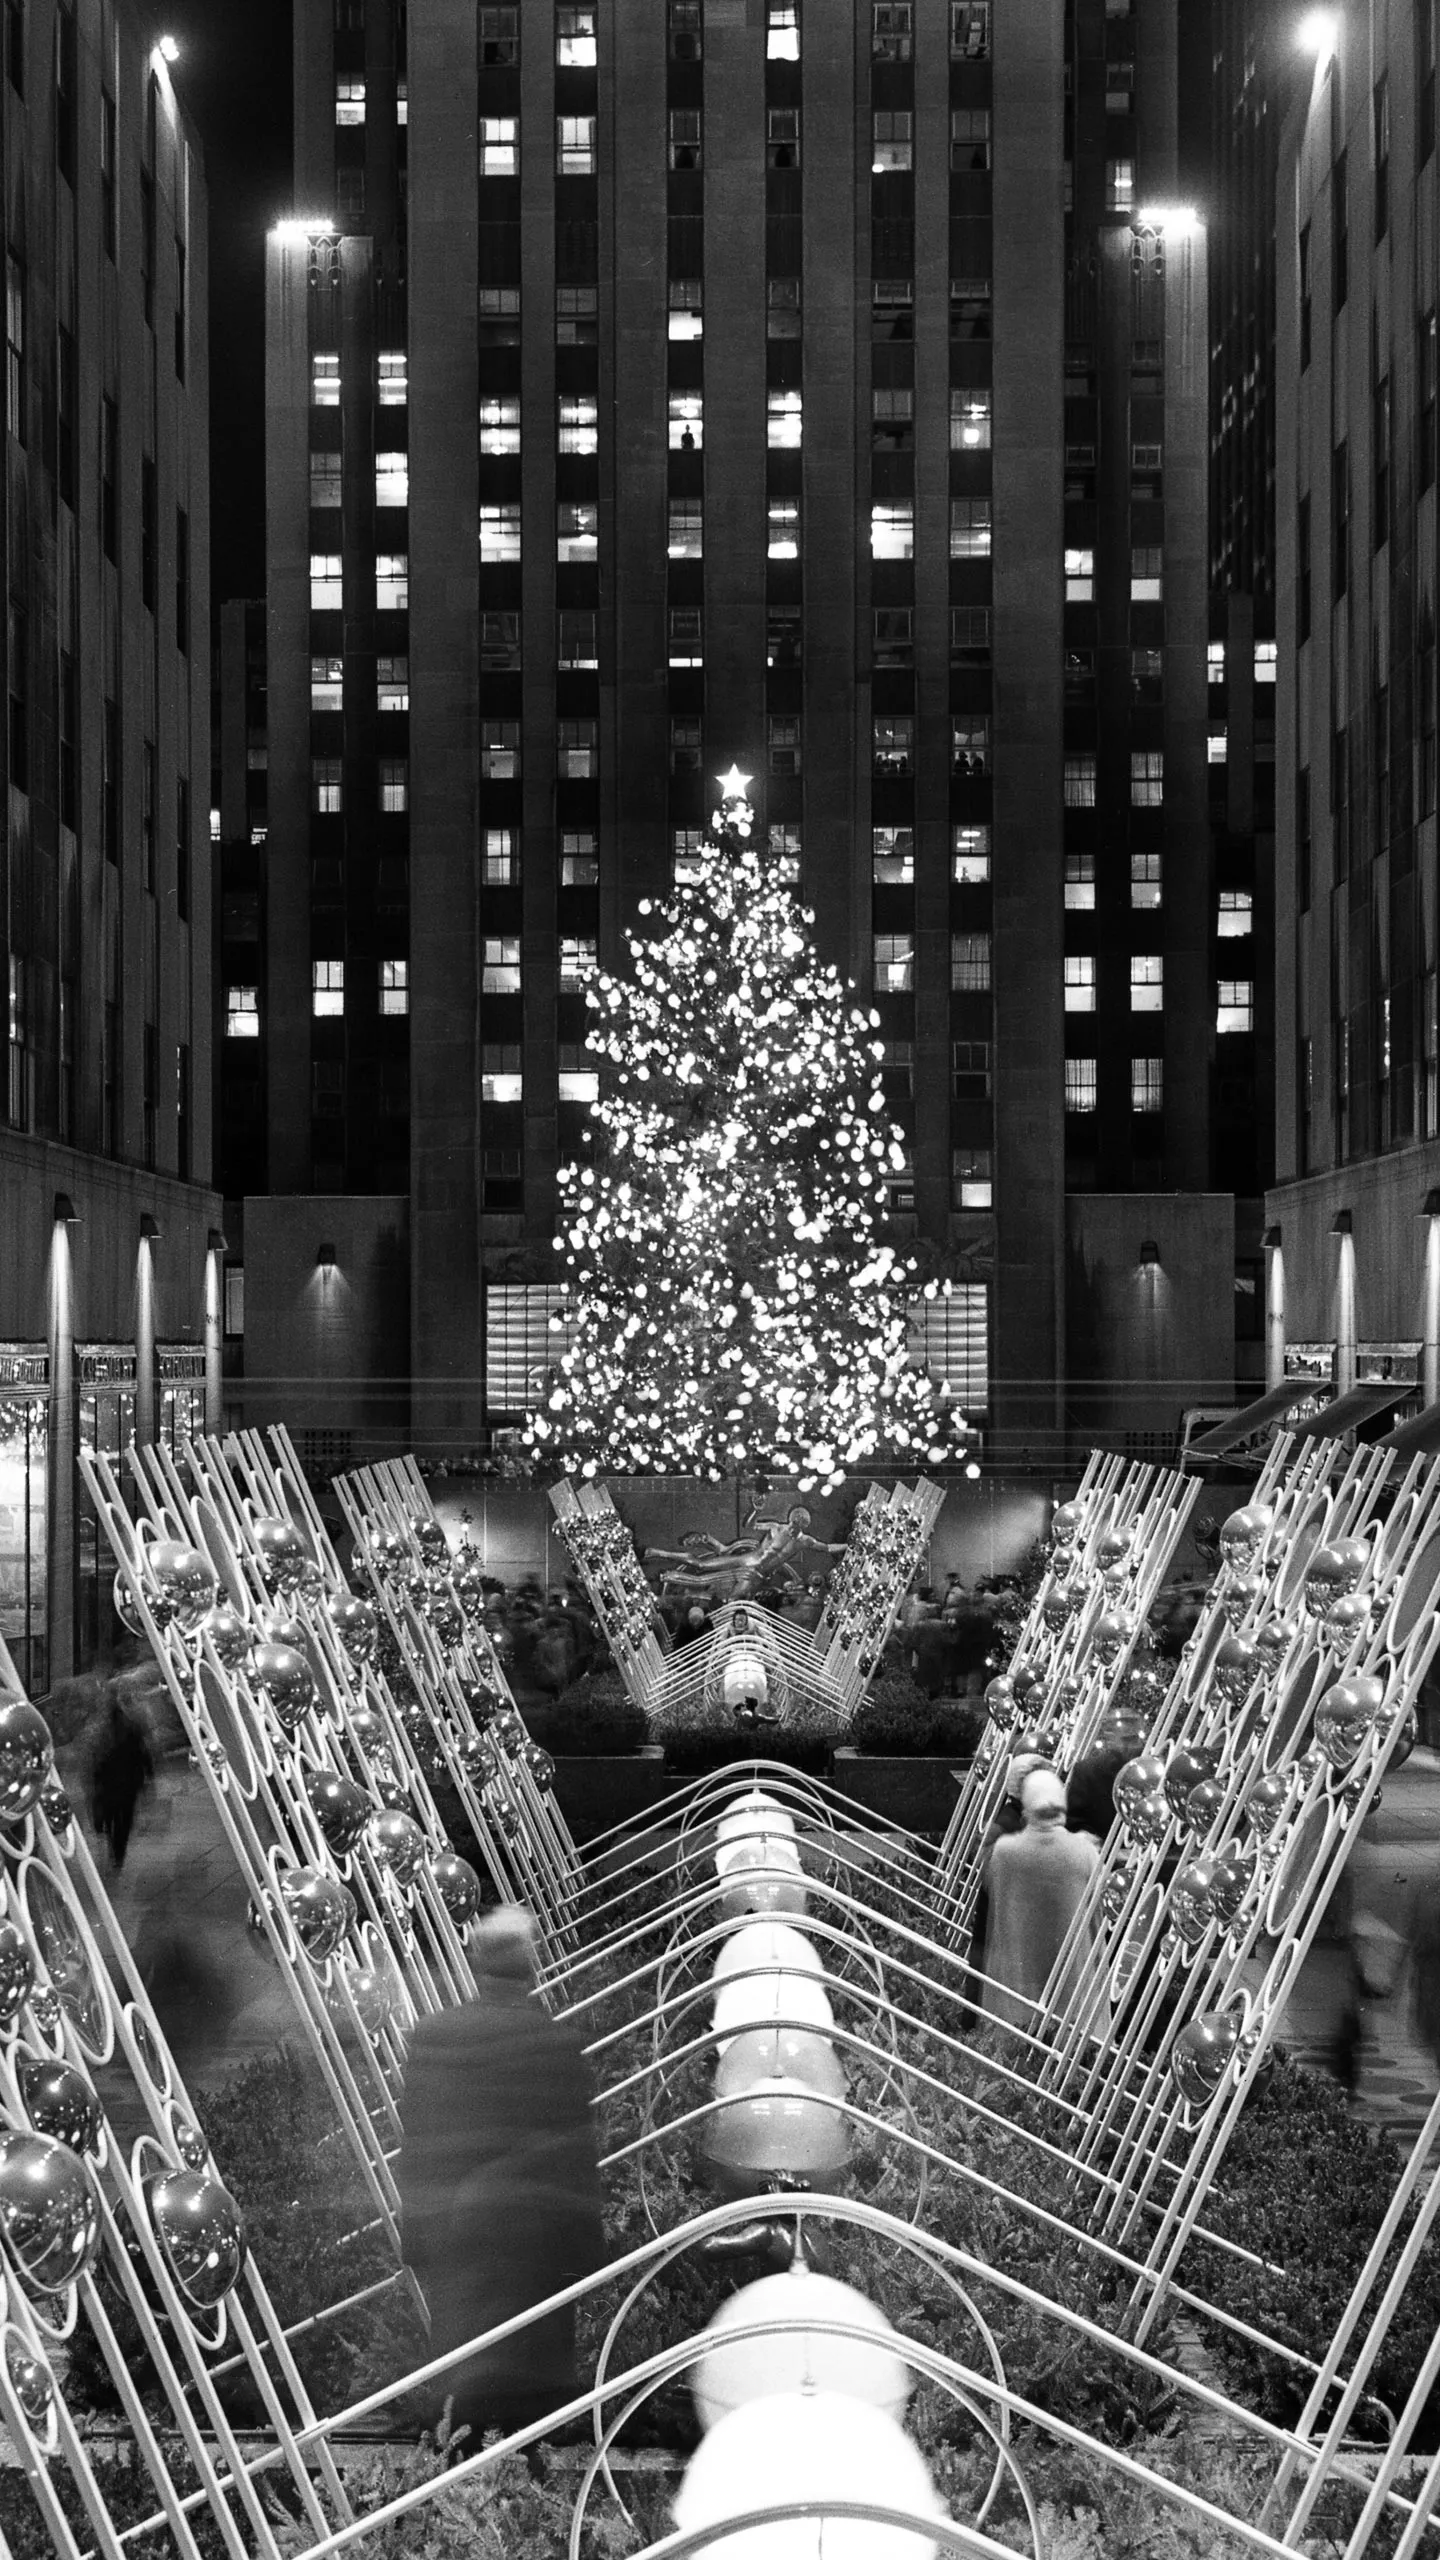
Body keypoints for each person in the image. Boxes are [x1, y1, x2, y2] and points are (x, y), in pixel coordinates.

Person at [397, 1907, 606, 2445]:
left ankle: (461, 2490)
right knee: (534, 2399)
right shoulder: (557, 2045)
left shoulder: (434, 2036)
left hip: (460, 2245)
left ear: (476, 1963)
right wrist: (584, 2253)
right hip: (532, 2250)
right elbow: (574, 2156)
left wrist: (417, 2238)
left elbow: (419, 2145)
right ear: (531, 1967)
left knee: (461, 2386)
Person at [982, 1768, 1101, 2035]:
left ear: (1026, 1807)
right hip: (1072, 1968)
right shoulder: (1085, 1852)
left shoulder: (1005, 1852)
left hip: (1020, 1966)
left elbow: (993, 1895)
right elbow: (1097, 1916)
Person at [88, 1685, 157, 1870]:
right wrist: (149, 1775)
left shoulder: (101, 1730)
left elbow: (96, 1756)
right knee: (124, 1818)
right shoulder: (132, 1726)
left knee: (111, 1815)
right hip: (129, 1781)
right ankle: (119, 1851)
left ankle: (114, 1845)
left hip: (109, 1781)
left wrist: (93, 1779)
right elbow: (143, 1752)